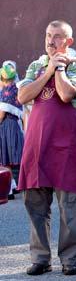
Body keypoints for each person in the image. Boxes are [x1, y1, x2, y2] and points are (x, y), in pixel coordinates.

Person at [17, 20, 76, 276]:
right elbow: (23, 96)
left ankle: (70, 259)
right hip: (38, 146)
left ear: (68, 42)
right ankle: (40, 258)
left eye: (57, 37)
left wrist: (59, 68)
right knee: (35, 204)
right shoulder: (36, 66)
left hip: (67, 147)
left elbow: (66, 95)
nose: (51, 41)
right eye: (48, 35)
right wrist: (47, 70)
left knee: (69, 205)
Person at [0, 62, 24, 200]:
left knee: (5, 159)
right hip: (14, 124)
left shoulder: (5, 91)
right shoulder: (17, 89)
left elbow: (1, 114)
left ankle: (8, 189)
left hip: (5, 126)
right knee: (16, 156)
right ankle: (15, 185)